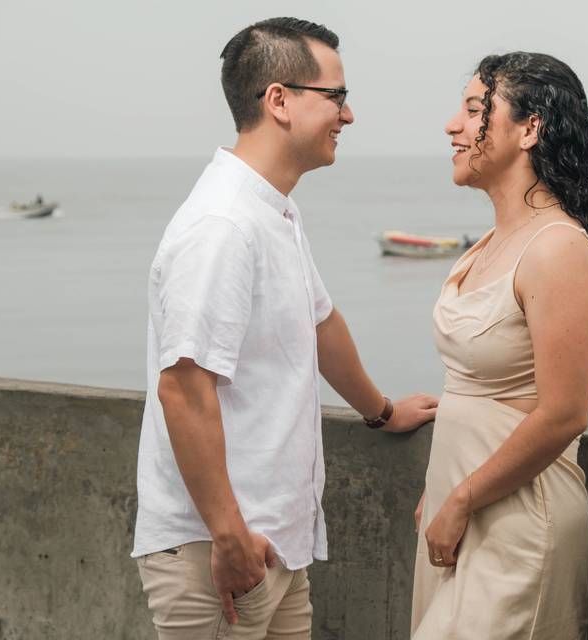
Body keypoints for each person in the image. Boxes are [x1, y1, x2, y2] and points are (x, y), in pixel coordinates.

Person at [131, 17, 438, 640]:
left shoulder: (273, 208)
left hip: (278, 544)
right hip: (218, 552)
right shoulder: (222, 226)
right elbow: (183, 387)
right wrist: (229, 535)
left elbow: (321, 323)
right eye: (337, 97)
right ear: (279, 100)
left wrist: (381, 411)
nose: (347, 116)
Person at [411, 52, 588, 639]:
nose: (453, 125)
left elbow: (563, 414)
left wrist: (461, 499)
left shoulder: (557, 248)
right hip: (463, 514)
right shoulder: (490, 243)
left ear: (530, 129)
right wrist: (444, 490)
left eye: (475, 110)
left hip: (518, 523)